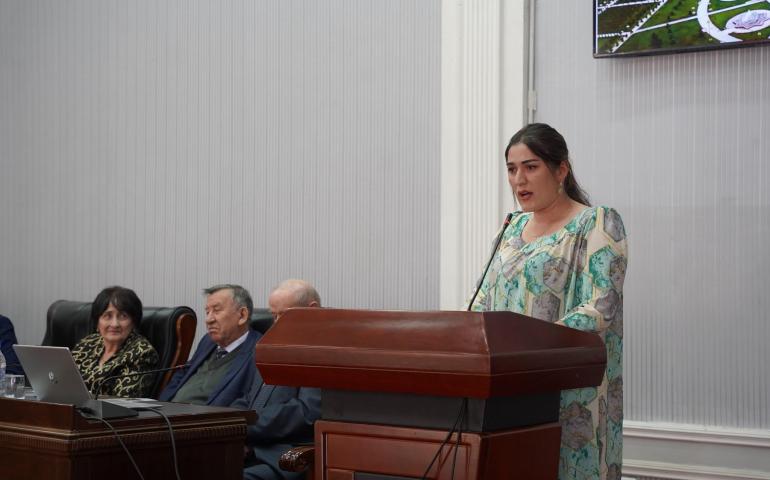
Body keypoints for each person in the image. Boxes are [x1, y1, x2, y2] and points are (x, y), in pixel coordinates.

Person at [469, 123, 628, 480]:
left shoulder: (596, 222)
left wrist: (530, 346)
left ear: (561, 170)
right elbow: (481, 302)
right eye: (512, 169)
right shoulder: (510, 229)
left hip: (569, 393)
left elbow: (600, 307)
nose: (519, 180)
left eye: (531, 167)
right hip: (509, 388)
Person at [235, 279, 322, 480]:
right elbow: (248, 398)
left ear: (312, 309)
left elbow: (306, 412)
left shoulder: (323, 350)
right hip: (247, 447)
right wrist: (226, 422)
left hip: (283, 456)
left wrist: (244, 427)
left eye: (283, 315)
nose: (276, 323)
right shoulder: (272, 345)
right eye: (273, 315)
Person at [159, 284, 260, 406]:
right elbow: (182, 374)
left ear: (242, 315)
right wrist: (162, 406)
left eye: (216, 311)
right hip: (169, 413)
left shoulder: (259, 352)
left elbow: (248, 401)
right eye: (207, 312)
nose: (208, 319)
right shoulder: (207, 341)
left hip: (209, 417)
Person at [71, 286, 159, 397]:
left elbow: (124, 400)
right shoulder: (87, 344)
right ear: (97, 321)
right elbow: (63, 381)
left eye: (123, 316)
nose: (115, 324)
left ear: (133, 322)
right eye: (107, 316)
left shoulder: (142, 353)